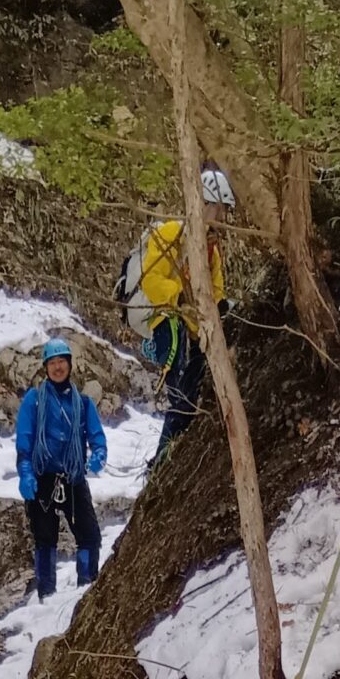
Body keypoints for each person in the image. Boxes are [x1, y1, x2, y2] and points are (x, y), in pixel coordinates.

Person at [136, 168, 232, 462]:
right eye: (220, 208)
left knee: (189, 393)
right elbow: (151, 280)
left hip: (192, 331)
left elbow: (216, 292)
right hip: (167, 322)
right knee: (179, 395)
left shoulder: (211, 251)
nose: (223, 217)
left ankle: (167, 454)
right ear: (206, 203)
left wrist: (221, 308)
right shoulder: (170, 234)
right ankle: (162, 460)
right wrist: (179, 296)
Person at [14, 338, 107, 600]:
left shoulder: (83, 403)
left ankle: (85, 593)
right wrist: (26, 472)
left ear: (69, 364)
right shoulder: (34, 400)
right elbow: (25, 440)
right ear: (46, 367)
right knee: (45, 540)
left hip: (73, 478)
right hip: (43, 477)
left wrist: (99, 455)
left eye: (61, 362)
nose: (57, 367)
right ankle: (47, 598)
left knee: (90, 536)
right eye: (52, 363)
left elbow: (97, 438)